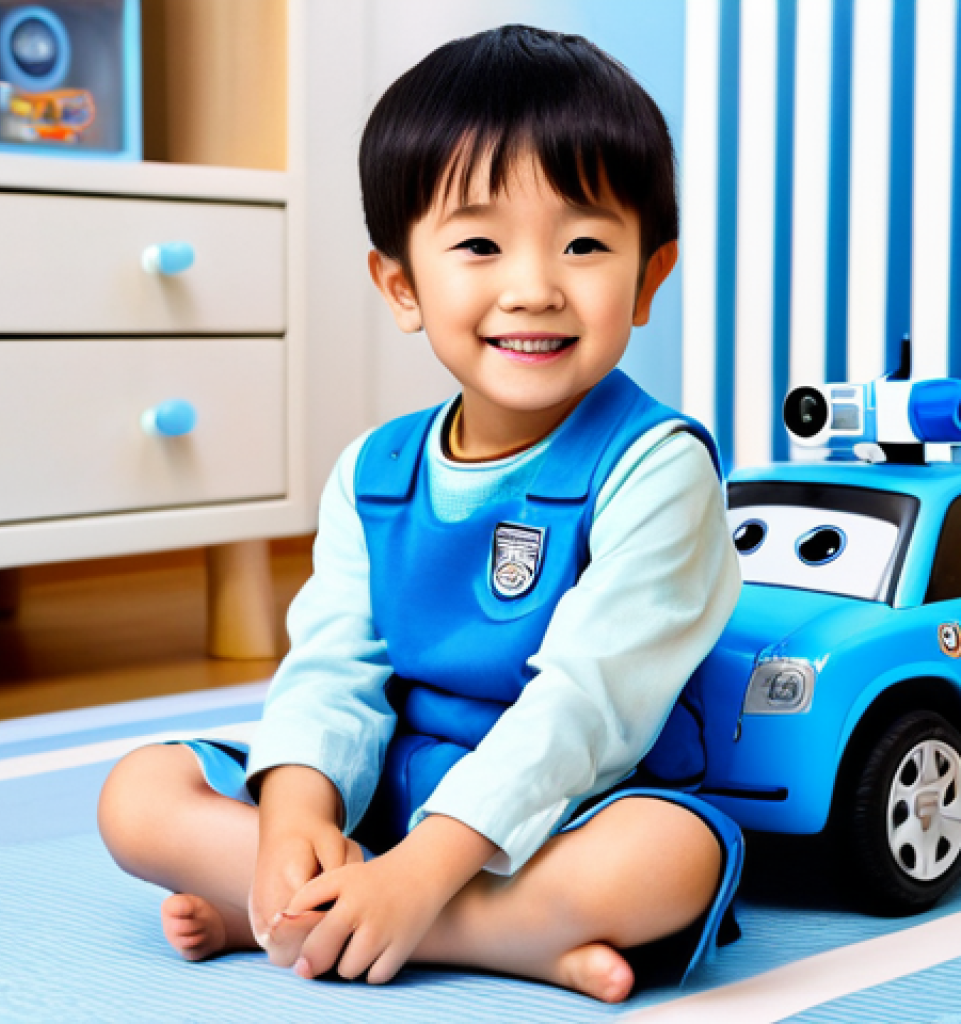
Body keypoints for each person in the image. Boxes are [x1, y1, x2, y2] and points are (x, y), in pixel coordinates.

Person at [98, 24, 743, 1004]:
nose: (532, 288)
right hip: (395, 795)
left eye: (582, 243)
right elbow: (331, 664)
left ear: (648, 278)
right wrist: (293, 814)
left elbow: (588, 706)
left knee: (668, 859)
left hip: (570, 806)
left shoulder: (658, 467)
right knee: (136, 796)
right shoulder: (374, 469)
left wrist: (428, 865)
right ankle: (470, 932)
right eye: (479, 244)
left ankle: (323, 919)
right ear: (401, 285)